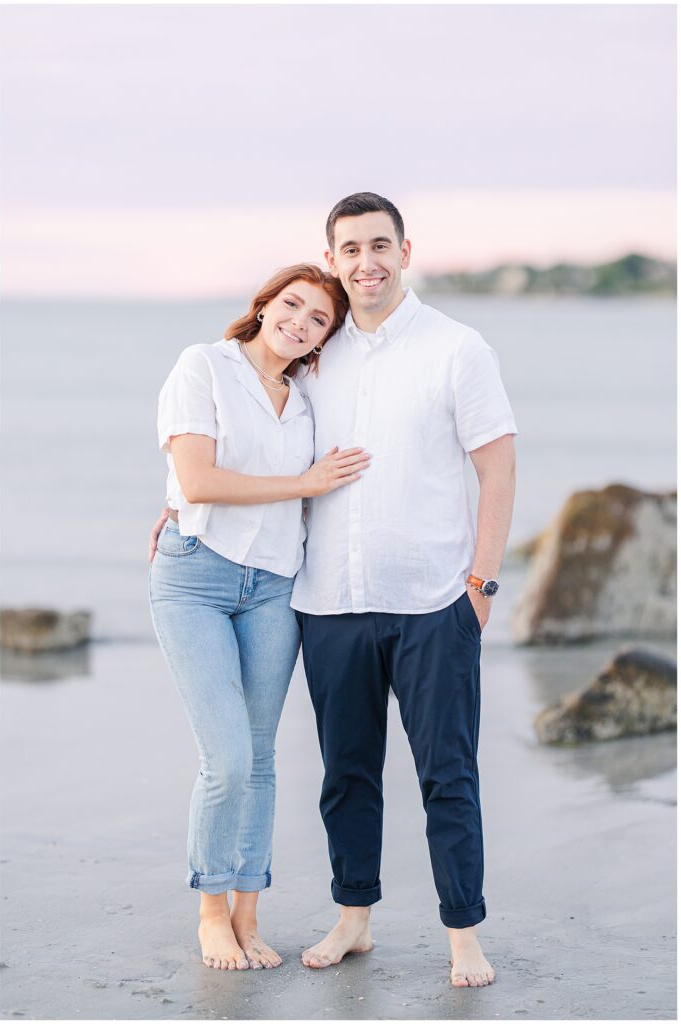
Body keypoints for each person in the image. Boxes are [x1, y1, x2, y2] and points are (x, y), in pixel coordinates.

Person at [290, 193, 517, 987]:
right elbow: (243, 427)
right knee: (345, 772)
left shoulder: (457, 348)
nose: (365, 263)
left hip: (433, 604)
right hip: (329, 605)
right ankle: (353, 917)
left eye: (378, 245)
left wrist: (481, 585)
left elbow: (496, 465)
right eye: (348, 249)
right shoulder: (313, 352)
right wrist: (180, 500)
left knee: (446, 775)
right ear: (332, 261)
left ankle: (463, 932)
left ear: (405, 250)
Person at [148, 263, 370, 973]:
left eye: (317, 320)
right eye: (291, 304)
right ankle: (211, 911)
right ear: (264, 304)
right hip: (197, 578)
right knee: (229, 759)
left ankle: (248, 913)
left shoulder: (307, 397)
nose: (299, 321)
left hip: (275, 584)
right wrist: (301, 483)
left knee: (263, 759)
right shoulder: (202, 366)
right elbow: (197, 479)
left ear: (322, 340)